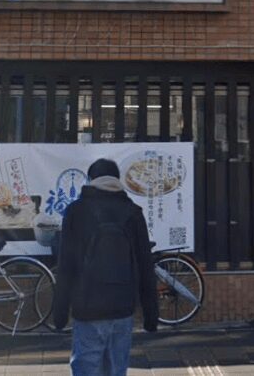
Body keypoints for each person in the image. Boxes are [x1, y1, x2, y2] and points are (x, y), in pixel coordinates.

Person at [52, 157, 158, 375]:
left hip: (87, 307)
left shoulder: (76, 211)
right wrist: (151, 314)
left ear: (91, 179)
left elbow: (66, 265)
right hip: (122, 308)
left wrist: (60, 312)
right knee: (116, 370)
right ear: (117, 180)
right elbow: (145, 265)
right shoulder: (133, 212)